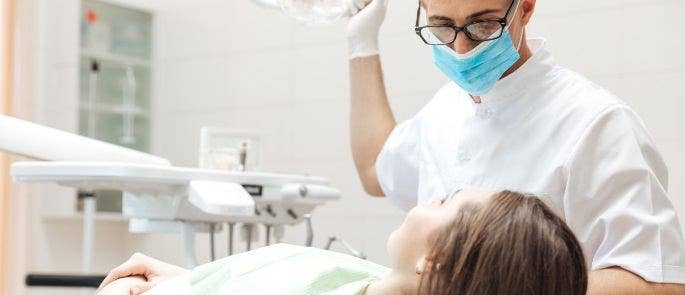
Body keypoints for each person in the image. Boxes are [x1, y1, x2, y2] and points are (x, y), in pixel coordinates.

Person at [346, 0, 685, 293]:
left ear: (524, 8)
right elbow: (374, 171)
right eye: (442, 28)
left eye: (483, 25)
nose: (463, 50)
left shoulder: (596, 122)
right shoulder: (446, 108)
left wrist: (491, 285)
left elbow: (661, 284)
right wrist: (362, 44)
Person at [96, 189, 587, 295]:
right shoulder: (372, 282)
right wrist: (194, 281)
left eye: (443, 204)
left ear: (434, 262)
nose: (425, 201)